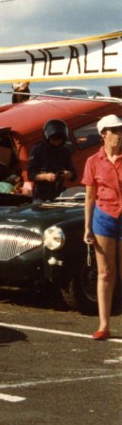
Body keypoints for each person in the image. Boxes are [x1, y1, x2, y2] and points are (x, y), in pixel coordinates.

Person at [82, 114, 122, 341]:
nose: (118, 135)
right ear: (103, 135)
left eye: (120, 130)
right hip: (104, 217)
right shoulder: (92, 161)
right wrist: (87, 226)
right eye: (113, 130)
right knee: (105, 273)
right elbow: (89, 197)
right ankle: (104, 325)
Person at [28, 119, 76, 202]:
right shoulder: (37, 150)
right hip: (41, 195)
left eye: (59, 140)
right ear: (47, 138)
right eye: (53, 140)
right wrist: (45, 177)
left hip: (59, 193)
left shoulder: (65, 151)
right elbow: (31, 175)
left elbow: (74, 175)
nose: (56, 143)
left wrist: (68, 174)